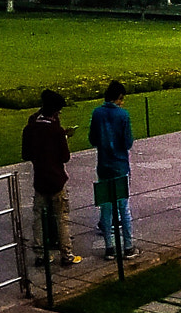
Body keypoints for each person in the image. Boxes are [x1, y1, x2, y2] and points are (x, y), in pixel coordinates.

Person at [21, 91, 79, 267]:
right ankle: (66, 253)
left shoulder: (30, 127)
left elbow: (26, 154)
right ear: (54, 112)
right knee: (62, 217)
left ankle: (40, 253)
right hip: (56, 180)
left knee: (39, 218)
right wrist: (64, 139)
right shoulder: (56, 130)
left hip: (40, 179)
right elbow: (65, 157)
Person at [91, 81, 136, 259]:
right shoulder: (123, 115)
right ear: (119, 98)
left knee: (106, 208)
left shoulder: (97, 113)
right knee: (123, 207)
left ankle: (109, 248)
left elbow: (93, 139)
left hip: (104, 166)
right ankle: (128, 246)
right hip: (120, 166)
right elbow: (128, 143)